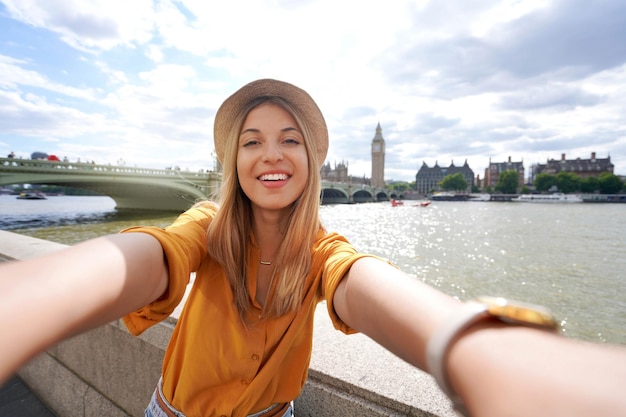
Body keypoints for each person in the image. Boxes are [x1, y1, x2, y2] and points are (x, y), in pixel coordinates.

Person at [0, 79, 625, 417]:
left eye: (290, 139)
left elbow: (365, 283)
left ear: (314, 161)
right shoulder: (207, 223)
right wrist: (27, 304)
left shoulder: (324, 248)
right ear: (232, 162)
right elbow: (147, 256)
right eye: (251, 141)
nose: (271, 153)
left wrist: (476, 345)